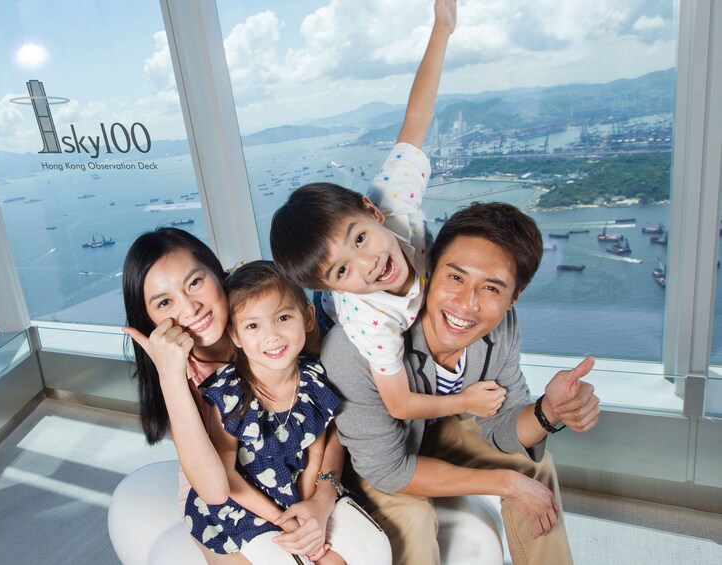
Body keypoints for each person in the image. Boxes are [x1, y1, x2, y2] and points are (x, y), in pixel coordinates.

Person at [322, 201, 601, 564]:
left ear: (513, 298)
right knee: (415, 520)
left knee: (535, 467)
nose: (466, 305)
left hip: (437, 434)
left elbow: (503, 425)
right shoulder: (354, 349)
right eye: (455, 277)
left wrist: (549, 410)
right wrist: (505, 483)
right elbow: (388, 470)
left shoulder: (502, 327)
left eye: (491, 289)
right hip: (378, 459)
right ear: (431, 268)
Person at [270, 0, 506, 425]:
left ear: (371, 212)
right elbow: (399, 404)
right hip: (334, 320)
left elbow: (415, 118)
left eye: (359, 239)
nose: (370, 263)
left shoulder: (390, 199)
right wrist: (465, 402)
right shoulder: (366, 319)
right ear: (333, 286)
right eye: (342, 270)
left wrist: (442, 29)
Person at [122, 229, 333, 563]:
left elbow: (324, 413)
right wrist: (171, 376)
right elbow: (215, 489)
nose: (189, 307)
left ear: (216, 272)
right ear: (150, 320)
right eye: (165, 302)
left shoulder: (274, 314)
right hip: (224, 497)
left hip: (295, 473)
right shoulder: (182, 376)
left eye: (194, 282)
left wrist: (322, 496)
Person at [185, 261, 392, 564]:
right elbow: (225, 474)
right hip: (246, 503)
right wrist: (284, 519)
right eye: (253, 325)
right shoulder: (230, 393)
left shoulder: (313, 377)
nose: (272, 336)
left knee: (371, 549)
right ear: (236, 336)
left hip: (299, 492)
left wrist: (309, 510)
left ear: (307, 317)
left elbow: (316, 446)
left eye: (282, 317)